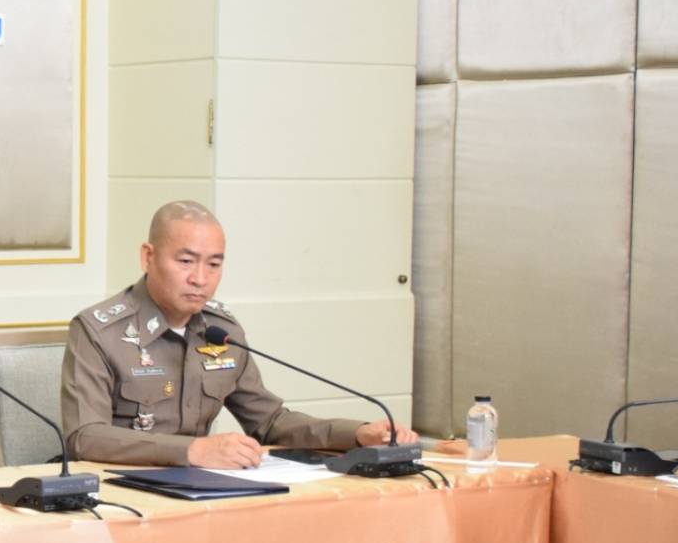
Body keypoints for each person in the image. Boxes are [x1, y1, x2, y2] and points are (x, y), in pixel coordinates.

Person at [61, 200, 415, 467]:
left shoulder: (221, 332)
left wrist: (358, 434)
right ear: (148, 257)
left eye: (214, 264)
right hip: (121, 494)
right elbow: (85, 437)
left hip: (200, 492)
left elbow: (270, 422)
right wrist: (192, 451)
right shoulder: (99, 332)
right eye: (185, 262)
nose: (200, 278)